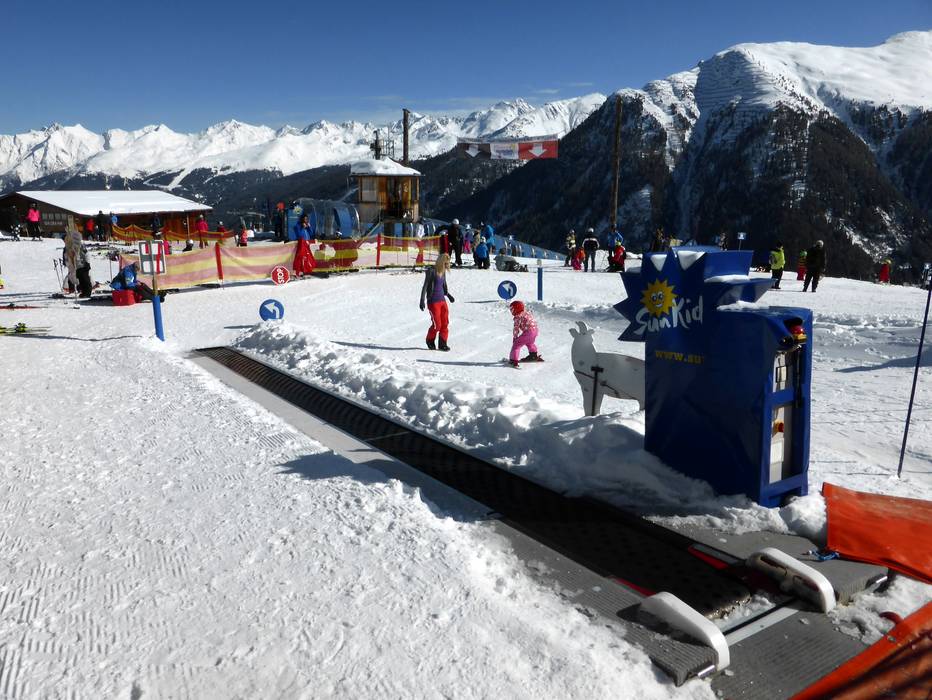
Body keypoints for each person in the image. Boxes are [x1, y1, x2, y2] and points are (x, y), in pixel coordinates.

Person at [420, 253, 454, 351]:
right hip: (433, 302)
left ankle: (442, 344)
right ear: (441, 262)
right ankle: (430, 340)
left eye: (447, 264)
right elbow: (425, 286)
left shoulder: (443, 272)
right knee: (437, 325)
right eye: (445, 263)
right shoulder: (431, 271)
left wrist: (449, 295)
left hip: (442, 301)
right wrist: (422, 300)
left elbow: (443, 286)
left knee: (445, 323)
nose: (446, 265)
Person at [507, 300, 542, 368]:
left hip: (528, 332)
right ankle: (533, 355)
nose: (511, 311)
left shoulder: (518, 316)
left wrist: (515, 338)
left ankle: (513, 360)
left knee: (516, 345)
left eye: (512, 309)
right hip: (535, 330)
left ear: (516, 309)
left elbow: (516, 328)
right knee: (530, 343)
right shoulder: (526, 313)